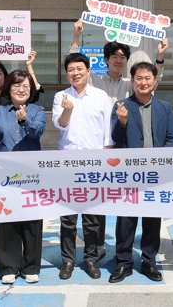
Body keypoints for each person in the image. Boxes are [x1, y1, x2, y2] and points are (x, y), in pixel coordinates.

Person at [71, 18, 169, 259]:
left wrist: (159, 56)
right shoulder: (94, 81)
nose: (118, 59)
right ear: (106, 59)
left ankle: (136, 252)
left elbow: (153, 81)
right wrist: (76, 38)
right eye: (114, 56)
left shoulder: (131, 83)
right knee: (99, 196)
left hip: (125, 146)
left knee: (128, 199)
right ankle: (99, 244)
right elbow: (76, 68)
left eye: (123, 57)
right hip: (100, 145)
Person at [109, 61, 173, 283]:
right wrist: (122, 121)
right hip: (129, 173)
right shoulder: (121, 105)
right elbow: (116, 139)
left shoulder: (164, 107)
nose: (143, 82)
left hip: (155, 174)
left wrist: (159, 160)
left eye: (148, 78)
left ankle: (149, 261)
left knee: (152, 219)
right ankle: (123, 262)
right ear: (132, 80)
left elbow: (172, 138)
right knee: (126, 220)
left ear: (155, 80)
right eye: (139, 78)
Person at [0, 69, 46, 285]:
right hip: (4, 173)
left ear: (31, 90)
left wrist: (24, 121)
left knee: (31, 219)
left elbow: (37, 132)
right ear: (9, 88)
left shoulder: (37, 110)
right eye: (17, 85)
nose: (21, 89)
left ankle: (31, 266)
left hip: (31, 173)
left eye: (26, 86)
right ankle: (8, 266)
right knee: (6, 217)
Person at [52, 53, 114, 280]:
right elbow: (60, 124)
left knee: (91, 217)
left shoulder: (101, 96)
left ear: (88, 71)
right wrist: (68, 108)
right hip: (67, 163)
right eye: (71, 70)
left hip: (94, 164)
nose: (75, 73)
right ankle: (68, 260)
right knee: (67, 217)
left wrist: (107, 159)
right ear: (66, 73)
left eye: (79, 69)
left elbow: (108, 131)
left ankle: (91, 259)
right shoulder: (61, 96)